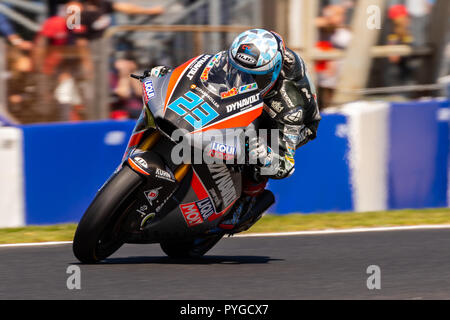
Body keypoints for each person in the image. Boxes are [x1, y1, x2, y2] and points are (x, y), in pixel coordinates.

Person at [149, 29, 321, 232]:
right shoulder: (241, 59)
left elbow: (284, 166)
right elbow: (202, 68)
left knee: (258, 149)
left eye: (253, 78)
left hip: (290, 122)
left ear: (272, 72)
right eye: (237, 71)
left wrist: (265, 156)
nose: (242, 80)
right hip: (256, 93)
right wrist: (169, 77)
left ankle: (246, 200)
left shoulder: (290, 106)